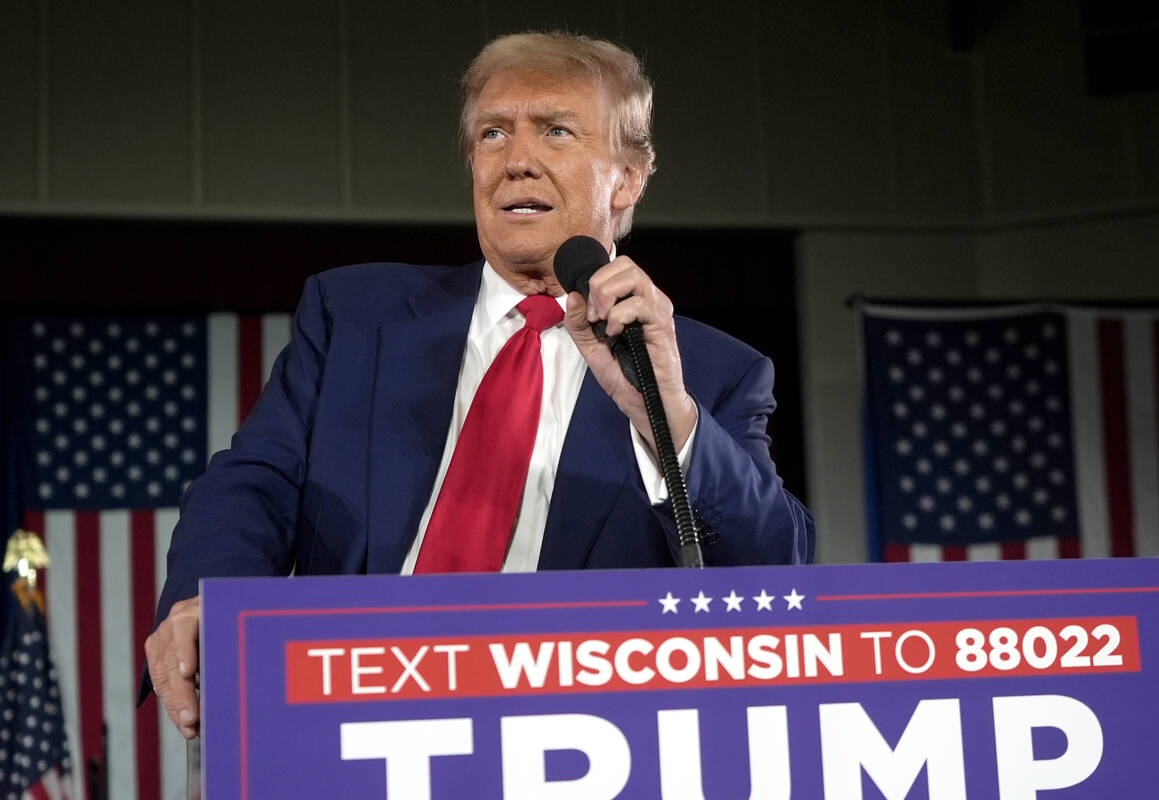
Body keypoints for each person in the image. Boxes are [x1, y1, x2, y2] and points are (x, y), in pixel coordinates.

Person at [144, 31, 815, 740]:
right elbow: (254, 483)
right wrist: (204, 600)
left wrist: (664, 411)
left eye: (555, 131)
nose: (516, 160)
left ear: (625, 178)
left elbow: (776, 566)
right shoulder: (358, 317)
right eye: (493, 134)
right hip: (348, 717)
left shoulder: (708, 371)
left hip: (564, 737)